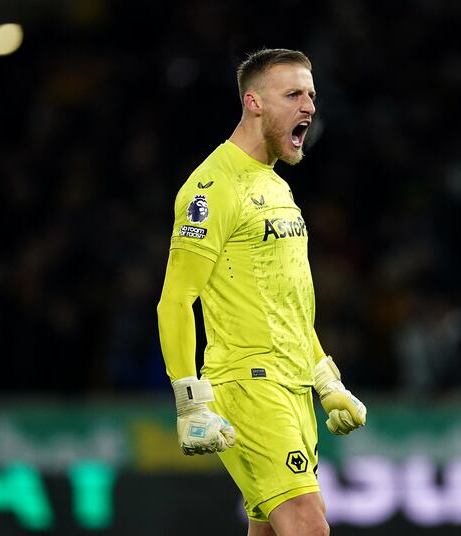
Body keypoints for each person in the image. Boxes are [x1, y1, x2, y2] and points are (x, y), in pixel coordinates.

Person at [156, 48, 367, 536]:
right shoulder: (211, 189)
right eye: (293, 94)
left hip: (290, 386)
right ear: (253, 103)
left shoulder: (275, 185)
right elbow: (175, 300)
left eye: (311, 95)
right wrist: (191, 399)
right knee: (308, 526)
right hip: (250, 385)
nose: (309, 107)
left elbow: (284, 303)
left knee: (271, 529)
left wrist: (326, 380)